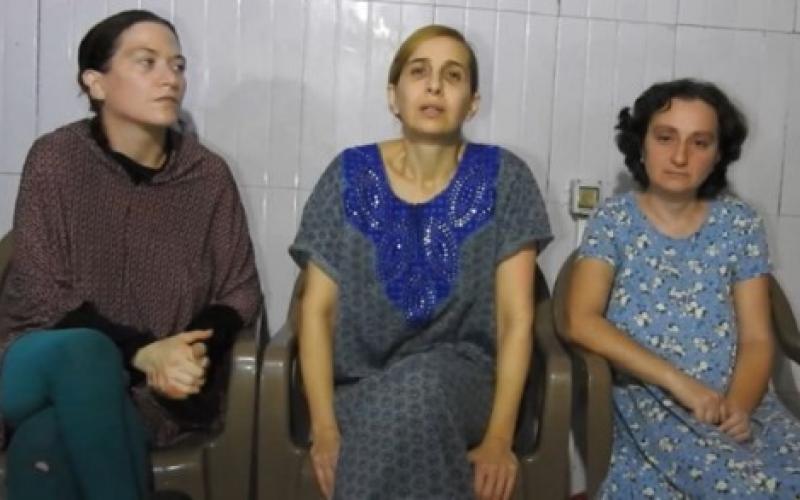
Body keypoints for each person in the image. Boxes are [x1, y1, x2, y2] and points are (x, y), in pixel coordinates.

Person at [0, 10, 261, 500]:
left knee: (44, 442)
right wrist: (144, 352)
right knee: (85, 351)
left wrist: (186, 353)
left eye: (178, 65)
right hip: (33, 365)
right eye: (147, 62)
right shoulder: (56, 159)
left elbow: (240, 290)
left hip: (145, 394)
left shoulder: (207, 176)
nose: (171, 78)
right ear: (95, 83)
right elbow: (38, 291)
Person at [290, 24, 552, 500]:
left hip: (467, 384)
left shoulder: (506, 179)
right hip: (359, 386)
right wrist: (324, 429)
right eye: (418, 72)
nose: (434, 86)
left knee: (421, 390)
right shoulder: (348, 175)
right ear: (393, 96)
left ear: (472, 102)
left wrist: (498, 438)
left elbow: (516, 319)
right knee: (401, 410)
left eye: (452, 76)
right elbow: (316, 311)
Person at [564, 78, 800, 498]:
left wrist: (739, 408)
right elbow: (579, 320)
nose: (679, 156)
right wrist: (679, 383)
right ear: (641, 143)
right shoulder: (613, 220)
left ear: (719, 154)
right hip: (655, 405)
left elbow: (758, 338)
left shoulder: (741, 223)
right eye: (665, 137)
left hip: (739, 403)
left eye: (700, 143)